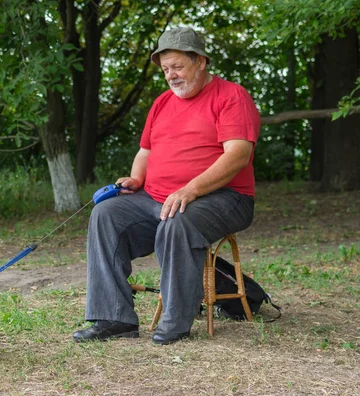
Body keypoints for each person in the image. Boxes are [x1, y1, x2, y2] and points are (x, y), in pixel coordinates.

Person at [73, 27, 261, 345]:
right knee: (106, 214)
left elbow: (238, 155)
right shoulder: (162, 103)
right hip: (156, 198)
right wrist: (136, 179)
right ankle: (114, 317)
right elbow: (145, 152)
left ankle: (176, 321)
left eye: (177, 66)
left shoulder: (232, 96)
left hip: (225, 197)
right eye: (165, 69)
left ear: (200, 61)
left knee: (178, 220)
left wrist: (191, 189)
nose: (171, 75)